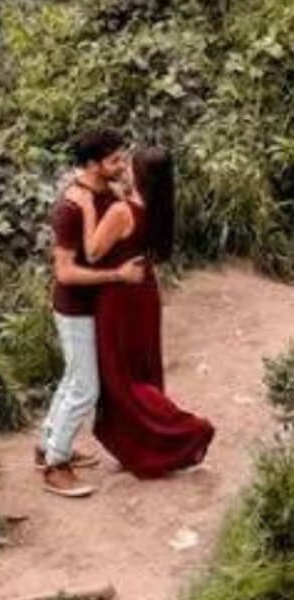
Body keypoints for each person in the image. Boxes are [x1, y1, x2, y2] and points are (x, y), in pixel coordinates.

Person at [68, 145, 215, 478]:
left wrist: (87, 205)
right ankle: (151, 443)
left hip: (120, 297)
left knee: (121, 377)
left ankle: (187, 429)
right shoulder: (159, 208)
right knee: (142, 372)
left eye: (129, 165)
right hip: (145, 292)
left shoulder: (122, 212)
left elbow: (92, 251)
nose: (124, 168)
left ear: (141, 175)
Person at [39, 127, 148, 499]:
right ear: (92, 164)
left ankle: (48, 444)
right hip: (75, 308)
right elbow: (65, 271)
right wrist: (117, 275)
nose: (122, 164)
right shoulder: (71, 208)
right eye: (115, 159)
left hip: (94, 306)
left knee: (73, 378)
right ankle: (56, 464)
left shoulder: (105, 192)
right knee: (86, 388)